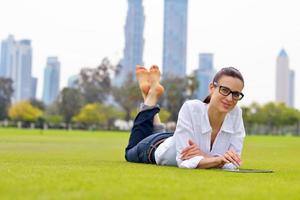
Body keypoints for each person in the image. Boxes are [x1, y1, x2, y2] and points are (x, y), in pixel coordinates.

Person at [125, 65, 245, 169]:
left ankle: (149, 95)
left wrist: (203, 155)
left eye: (236, 94)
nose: (229, 98)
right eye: (224, 90)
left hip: (175, 138)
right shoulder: (191, 108)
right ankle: (151, 96)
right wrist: (218, 160)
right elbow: (185, 161)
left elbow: (233, 163)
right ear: (212, 88)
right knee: (129, 152)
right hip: (155, 146)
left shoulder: (236, 114)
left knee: (170, 138)